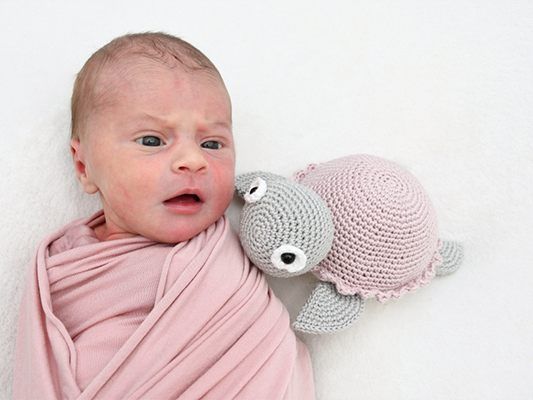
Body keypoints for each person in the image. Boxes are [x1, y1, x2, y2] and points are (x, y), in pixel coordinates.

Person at [13, 31, 315, 399]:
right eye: (153, 140)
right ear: (83, 166)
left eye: (212, 144)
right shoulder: (67, 265)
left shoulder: (227, 264)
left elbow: (264, 352)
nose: (193, 160)